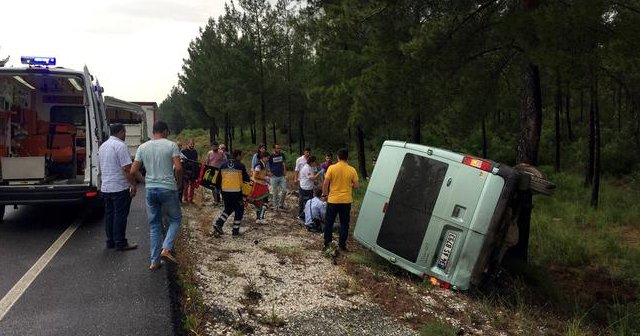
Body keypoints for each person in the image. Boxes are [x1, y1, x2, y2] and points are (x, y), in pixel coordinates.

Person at [130, 121, 182, 270]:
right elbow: (178, 168)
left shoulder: (142, 147)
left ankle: (154, 261)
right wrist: (178, 184)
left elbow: (133, 171)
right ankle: (166, 249)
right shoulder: (171, 145)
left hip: (151, 189)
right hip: (168, 188)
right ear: (165, 131)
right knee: (175, 219)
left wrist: (145, 181)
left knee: (154, 225)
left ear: (153, 131)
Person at [98, 123, 138, 251]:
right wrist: (132, 184)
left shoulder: (103, 146)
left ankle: (110, 241)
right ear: (121, 132)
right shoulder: (120, 146)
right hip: (119, 187)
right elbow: (127, 168)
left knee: (109, 215)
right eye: (124, 132)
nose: (125, 135)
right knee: (120, 215)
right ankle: (120, 242)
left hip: (106, 187)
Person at [322, 148, 359, 252]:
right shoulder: (352, 170)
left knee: (329, 222)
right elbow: (356, 185)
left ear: (338, 157)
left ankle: (327, 244)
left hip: (333, 200)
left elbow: (325, 183)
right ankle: (342, 245)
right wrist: (349, 184)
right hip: (346, 200)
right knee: (344, 223)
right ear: (347, 158)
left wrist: (325, 194)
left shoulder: (332, 168)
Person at [212, 149, 251, 237]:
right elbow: (247, 179)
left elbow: (218, 179)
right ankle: (235, 231)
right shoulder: (240, 166)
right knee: (239, 209)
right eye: (241, 155)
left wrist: (218, 190)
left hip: (225, 191)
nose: (242, 157)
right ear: (237, 156)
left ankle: (219, 224)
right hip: (236, 192)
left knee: (228, 208)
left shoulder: (223, 165)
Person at [250, 152, 271, 224]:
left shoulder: (263, 164)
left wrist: (267, 174)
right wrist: (264, 178)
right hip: (259, 185)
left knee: (260, 202)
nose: (268, 159)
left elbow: (260, 173)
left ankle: (259, 217)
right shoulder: (259, 165)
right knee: (264, 201)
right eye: (267, 158)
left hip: (261, 185)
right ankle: (260, 218)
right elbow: (255, 175)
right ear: (263, 157)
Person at [298, 155, 319, 221]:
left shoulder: (310, 167)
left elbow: (311, 178)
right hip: (305, 188)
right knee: (306, 203)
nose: (315, 164)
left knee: (308, 203)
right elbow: (312, 177)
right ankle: (302, 216)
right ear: (311, 162)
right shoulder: (306, 168)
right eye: (315, 162)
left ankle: (305, 216)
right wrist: (320, 173)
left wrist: (314, 182)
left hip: (309, 188)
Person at [269, 143, 287, 210]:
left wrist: (285, 170)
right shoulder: (271, 156)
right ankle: (275, 206)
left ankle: (281, 204)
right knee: (275, 192)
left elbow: (284, 163)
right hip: (274, 176)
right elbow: (268, 165)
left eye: (279, 148)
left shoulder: (282, 154)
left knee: (284, 191)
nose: (279, 149)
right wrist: (270, 173)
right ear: (274, 149)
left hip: (282, 176)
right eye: (277, 148)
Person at [294, 147, 311, 219]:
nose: (308, 154)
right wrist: (295, 178)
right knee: (301, 198)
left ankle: (308, 214)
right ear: (304, 152)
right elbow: (297, 170)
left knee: (309, 199)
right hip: (301, 180)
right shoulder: (299, 160)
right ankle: (300, 213)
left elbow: (314, 169)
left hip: (309, 181)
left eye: (309, 152)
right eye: (307, 152)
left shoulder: (311, 160)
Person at [181, 139, 198, 204]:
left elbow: (196, 161)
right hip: (186, 170)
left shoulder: (195, 152)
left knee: (192, 186)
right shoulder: (183, 151)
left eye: (193, 144)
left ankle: (191, 199)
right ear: (188, 144)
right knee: (186, 186)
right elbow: (182, 161)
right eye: (191, 144)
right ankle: (185, 199)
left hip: (193, 170)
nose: (192, 145)